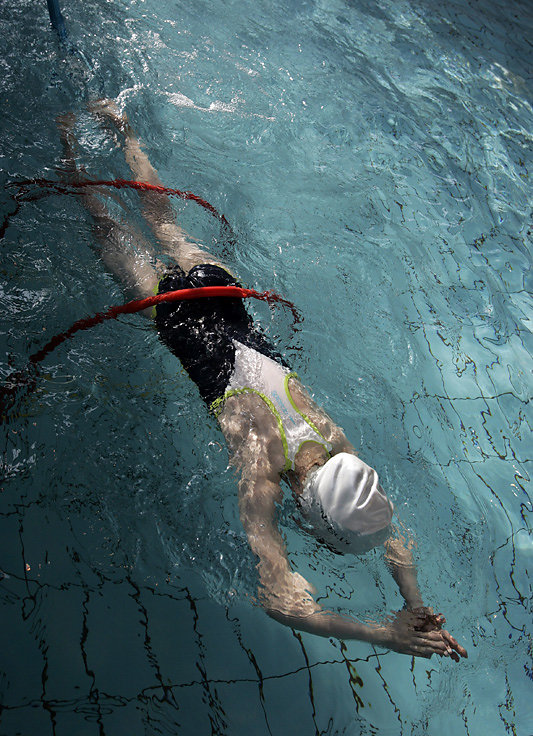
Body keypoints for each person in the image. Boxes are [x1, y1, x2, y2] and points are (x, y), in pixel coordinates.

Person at [56, 101, 467, 661]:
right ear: (314, 520)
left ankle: (121, 128)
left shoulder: (335, 442)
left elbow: (391, 533)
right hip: (175, 318)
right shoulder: (262, 474)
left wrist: (413, 607)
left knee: (166, 222)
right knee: (111, 228)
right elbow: (280, 602)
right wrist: (383, 634)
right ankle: (71, 158)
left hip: (226, 294)